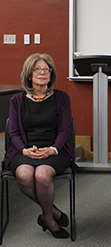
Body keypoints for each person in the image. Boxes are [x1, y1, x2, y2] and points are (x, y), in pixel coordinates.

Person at [4, 53, 76, 239]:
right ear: (29, 74)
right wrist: (23, 150)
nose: (42, 73)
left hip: (56, 149)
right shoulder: (17, 100)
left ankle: (48, 219)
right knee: (25, 175)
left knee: (42, 175)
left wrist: (53, 149)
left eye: (47, 69)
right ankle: (53, 213)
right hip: (24, 149)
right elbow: (13, 133)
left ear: (51, 75)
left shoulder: (62, 98)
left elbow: (65, 129)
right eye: (38, 69)